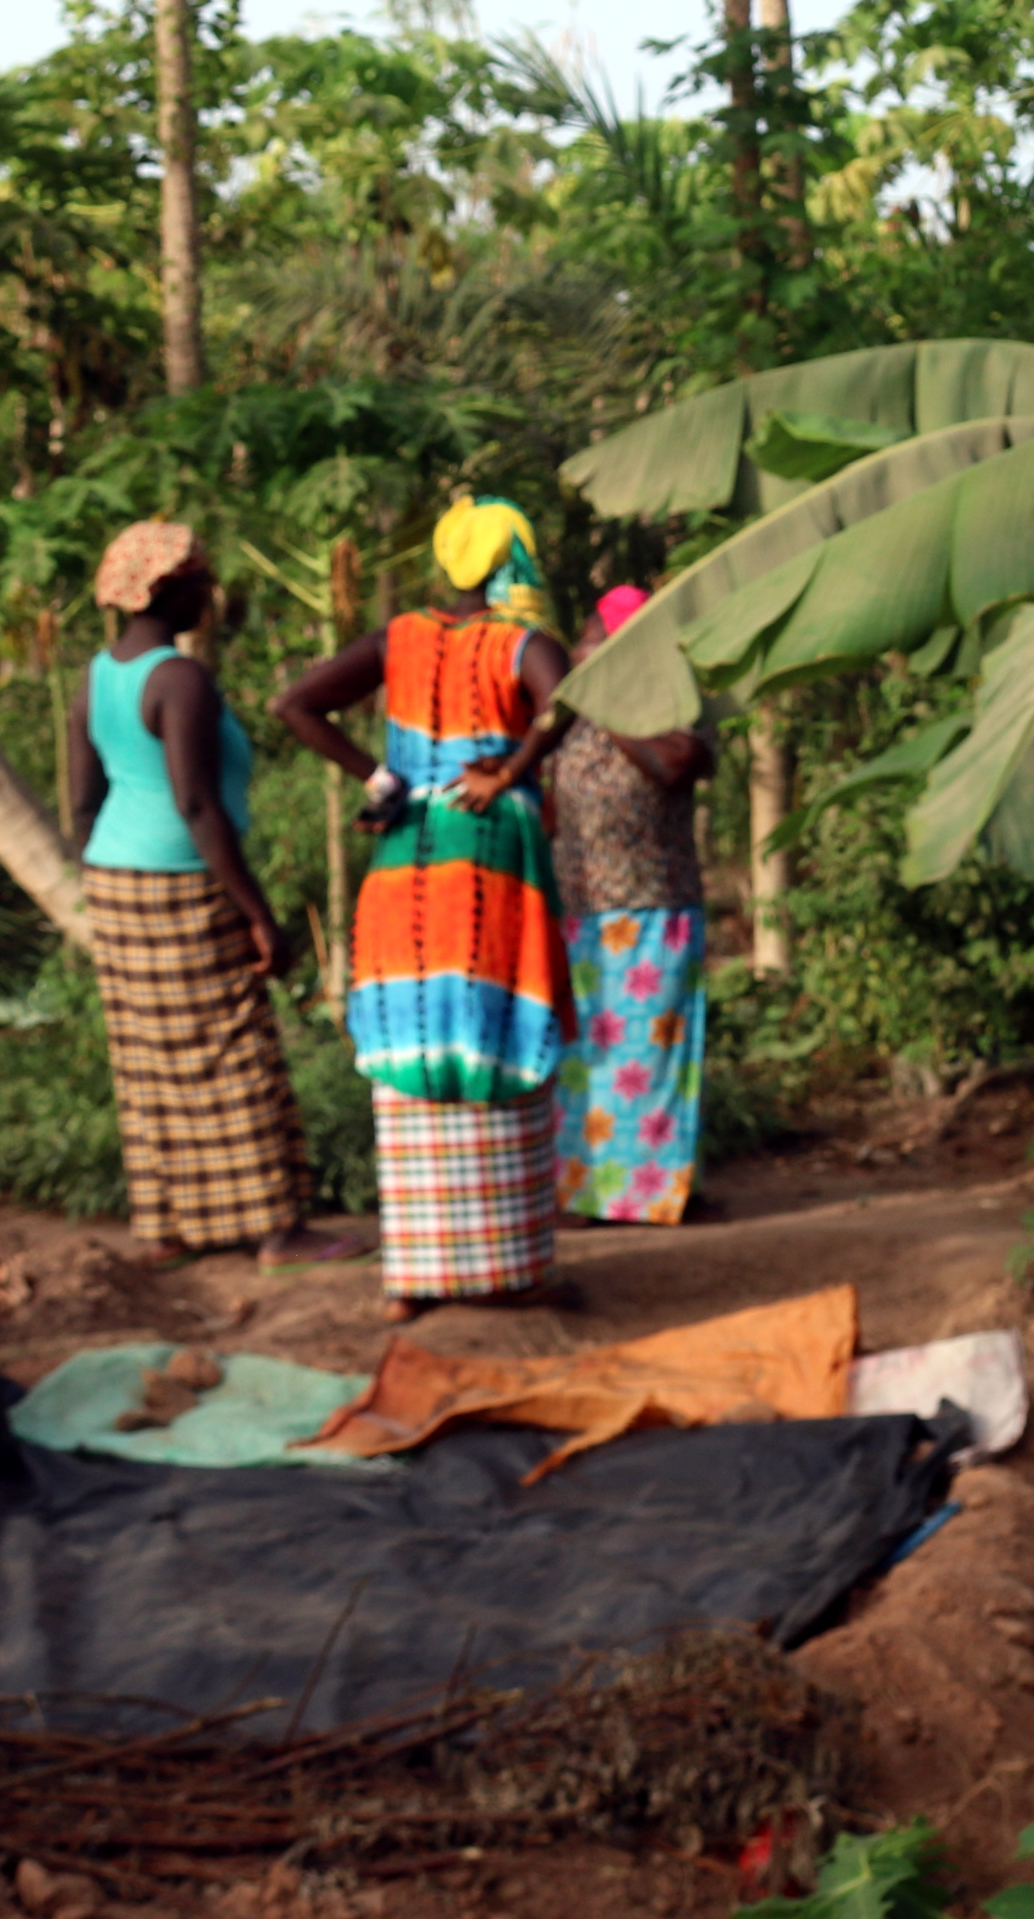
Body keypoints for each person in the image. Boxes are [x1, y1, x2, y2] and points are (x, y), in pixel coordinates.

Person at [276, 498, 575, 1317]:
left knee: (414, 1040)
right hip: (486, 858)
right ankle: (508, 1268)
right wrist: (510, 772)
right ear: (515, 558)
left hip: (404, 860)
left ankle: (412, 1278)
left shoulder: (397, 637)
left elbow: (292, 705)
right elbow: (565, 706)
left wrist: (379, 776)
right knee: (496, 1033)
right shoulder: (522, 642)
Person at [66, 521, 338, 1266]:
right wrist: (259, 915)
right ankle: (278, 1226)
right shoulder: (179, 679)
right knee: (234, 1044)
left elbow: (83, 797)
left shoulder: (98, 674)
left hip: (116, 879)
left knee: (148, 1054)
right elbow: (196, 805)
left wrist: (95, 872)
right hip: (181, 882)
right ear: (167, 589)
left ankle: (170, 1224)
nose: (209, 593)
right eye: (200, 580)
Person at [546, 585, 717, 1225]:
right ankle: (588, 1193)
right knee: (586, 1063)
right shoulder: (566, 720)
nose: (585, 656)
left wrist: (606, 701)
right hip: (579, 912)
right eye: (584, 644)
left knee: (647, 1064)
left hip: (653, 910)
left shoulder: (666, 705)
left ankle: (648, 1192)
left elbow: (678, 765)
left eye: (599, 646)